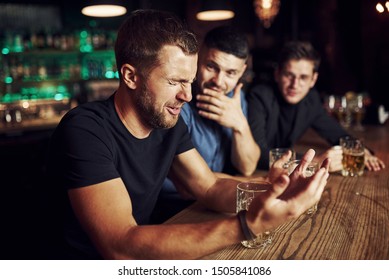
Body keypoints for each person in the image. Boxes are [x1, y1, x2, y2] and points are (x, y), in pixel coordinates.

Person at [46, 10, 330, 260]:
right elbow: (120, 246)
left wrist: (275, 190)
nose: (187, 95)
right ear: (131, 76)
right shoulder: (85, 130)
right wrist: (247, 225)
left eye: (190, 81)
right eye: (174, 81)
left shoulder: (166, 122)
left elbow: (207, 187)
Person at [154, 26, 260, 222]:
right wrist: (259, 185)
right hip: (173, 213)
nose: (219, 81)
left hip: (218, 205)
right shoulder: (177, 101)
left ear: (242, 71)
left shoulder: (235, 98)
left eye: (231, 73)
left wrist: (240, 125)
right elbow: (190, 186)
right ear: (199, 57)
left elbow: (246, 166)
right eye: (211, 67)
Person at [248, 41, 385, 172]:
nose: (295, 85)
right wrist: (314, 162)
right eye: (289, 75)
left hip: (284, 173)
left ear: (313, 80)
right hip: (253, 176)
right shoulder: (259, 96)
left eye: (303, 77)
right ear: (277, 74)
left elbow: (337, 134)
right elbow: (257, 155)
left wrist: (361, 150)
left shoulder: (311, 100)